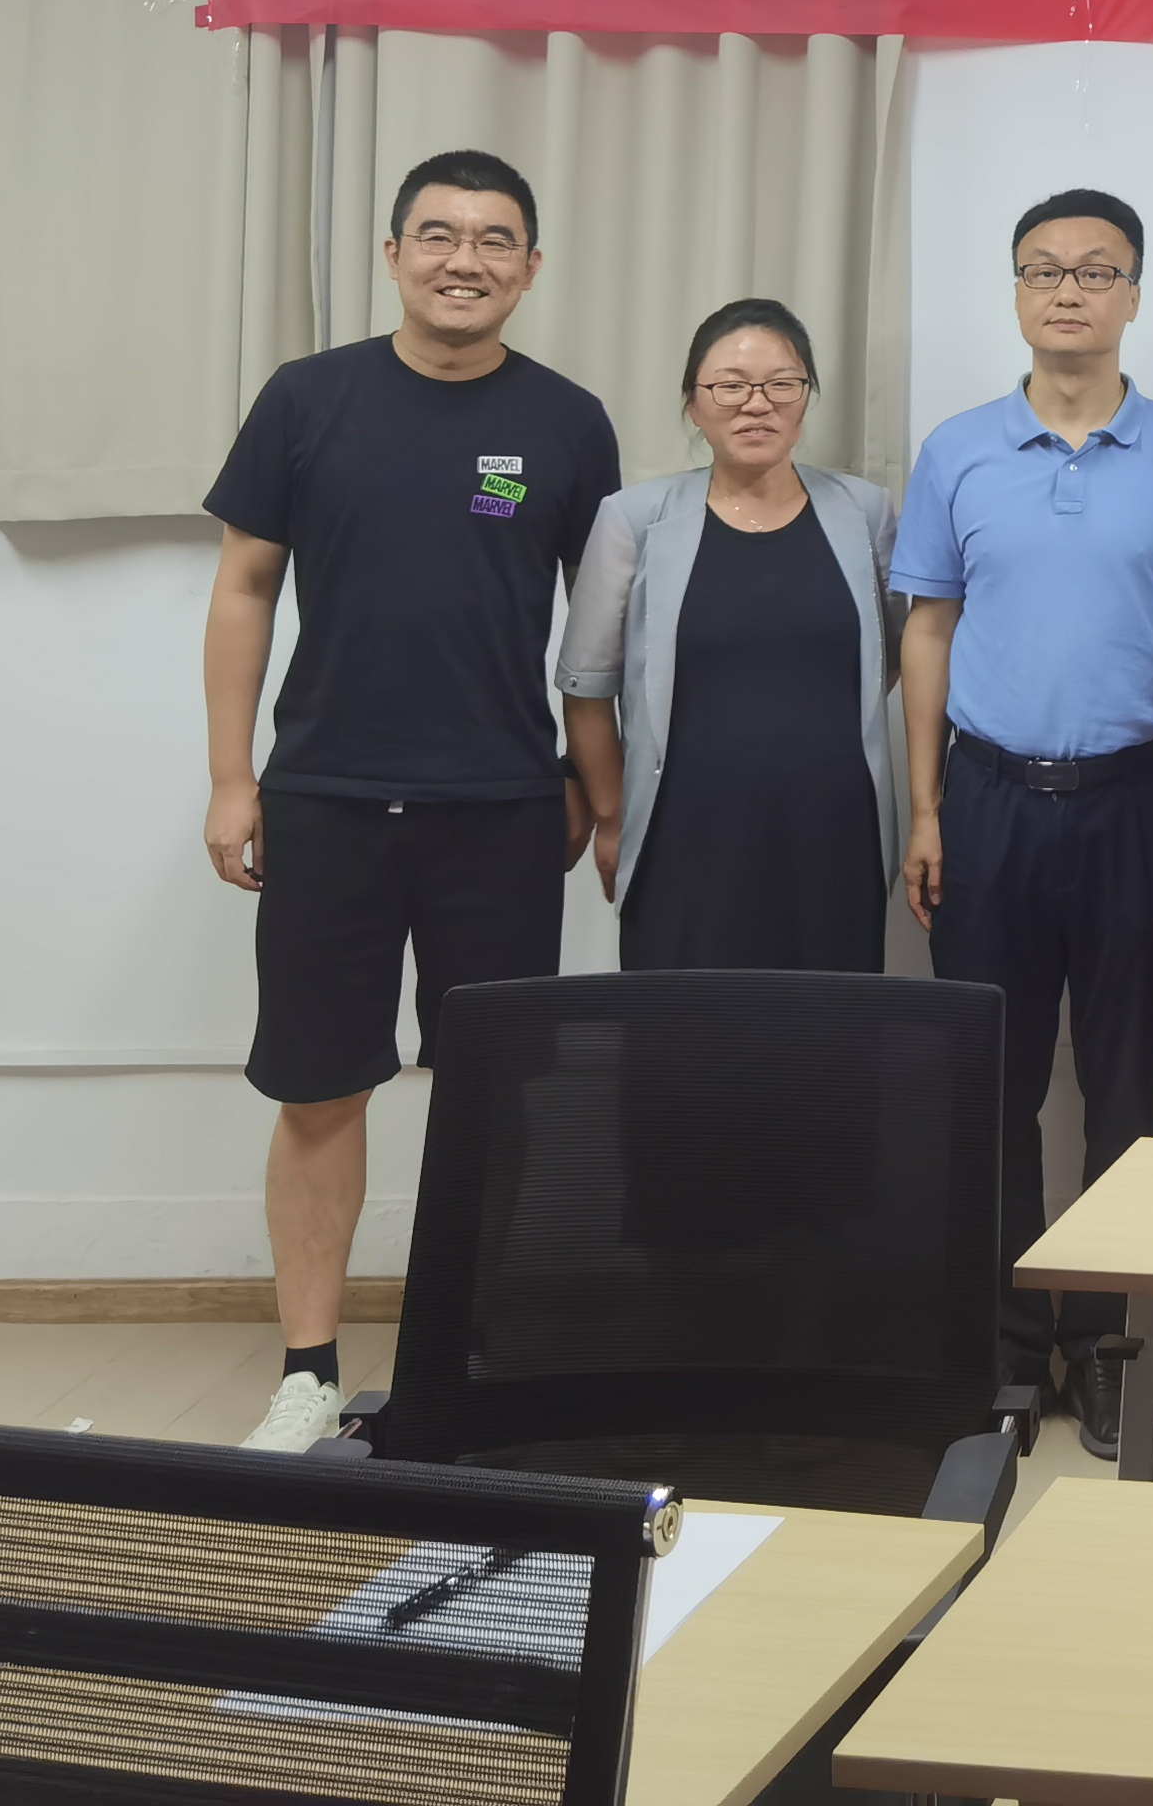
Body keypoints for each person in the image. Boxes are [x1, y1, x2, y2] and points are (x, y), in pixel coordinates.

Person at [201, 147, 620, 1452]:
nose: (463, 261)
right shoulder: (305, 399)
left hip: (501, 809)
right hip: (324, 798)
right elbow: (244, 588)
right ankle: (309, 1372)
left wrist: (589, 785)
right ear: (393, 255)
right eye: (438, 235)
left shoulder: (568, 422)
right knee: (320, 1088)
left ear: (530, 269)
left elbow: (598, 633)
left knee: (493, 1096)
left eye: (494, 241)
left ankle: (475, 1359)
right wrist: (231, 778)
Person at [893, 188, 1153, 1457]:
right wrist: (925, 808)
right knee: (992, 1085)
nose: (1070, 291)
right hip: (986, 801)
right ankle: (1002, 1349)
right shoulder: (958, 449)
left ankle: (1103, 1344)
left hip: (1138, 798)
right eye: (1045, 270)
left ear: (1133, 294)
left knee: (1126, 1088)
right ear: (1018, 293)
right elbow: (927, 630)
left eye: (1097, 271)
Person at [557, 298, 900, 972]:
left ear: (806, 396)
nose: (757, 404)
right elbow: (587, 689)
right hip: (681, 837)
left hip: (835, 835)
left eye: (782, 384)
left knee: (829, 1026)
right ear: (693, 403)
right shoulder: (634, 519)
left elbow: (888, 657)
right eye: (730, 386)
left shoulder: (864, 512)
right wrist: (613, 817)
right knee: (686, 1029)